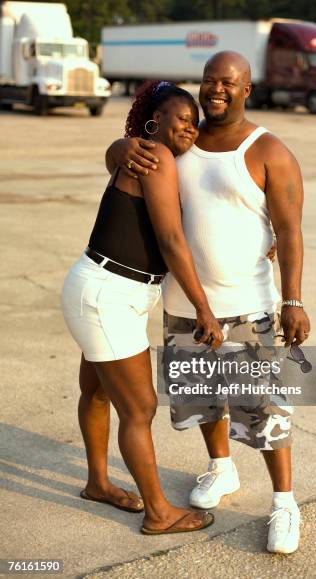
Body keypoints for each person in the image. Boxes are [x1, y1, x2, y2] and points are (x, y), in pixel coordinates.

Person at [107, 51, 311, 554]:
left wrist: (294, 300)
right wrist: (117, 148)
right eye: (208, 81)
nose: (215, 90)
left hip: (248, 304)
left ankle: (284, 504)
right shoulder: (182, 140)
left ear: (247, 89)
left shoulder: (270, 151)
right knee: (203, 401)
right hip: (184, 302)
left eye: (228, 82)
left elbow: (289, 230)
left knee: (263, 411)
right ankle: (220, 469)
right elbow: (124, 153)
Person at [61, 80, 224, 535]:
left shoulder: (144, 153)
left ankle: (97, 483)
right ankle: (158, 513)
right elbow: (171, 241)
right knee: (139, 409)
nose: (191, 126)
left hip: (101, 286)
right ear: (155, 122)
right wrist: (204, 310)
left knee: (96, 392)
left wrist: (117, 147)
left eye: (195, 120)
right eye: (182, 118)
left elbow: (118, 160)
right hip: (108, 293)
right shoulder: (157, 156)